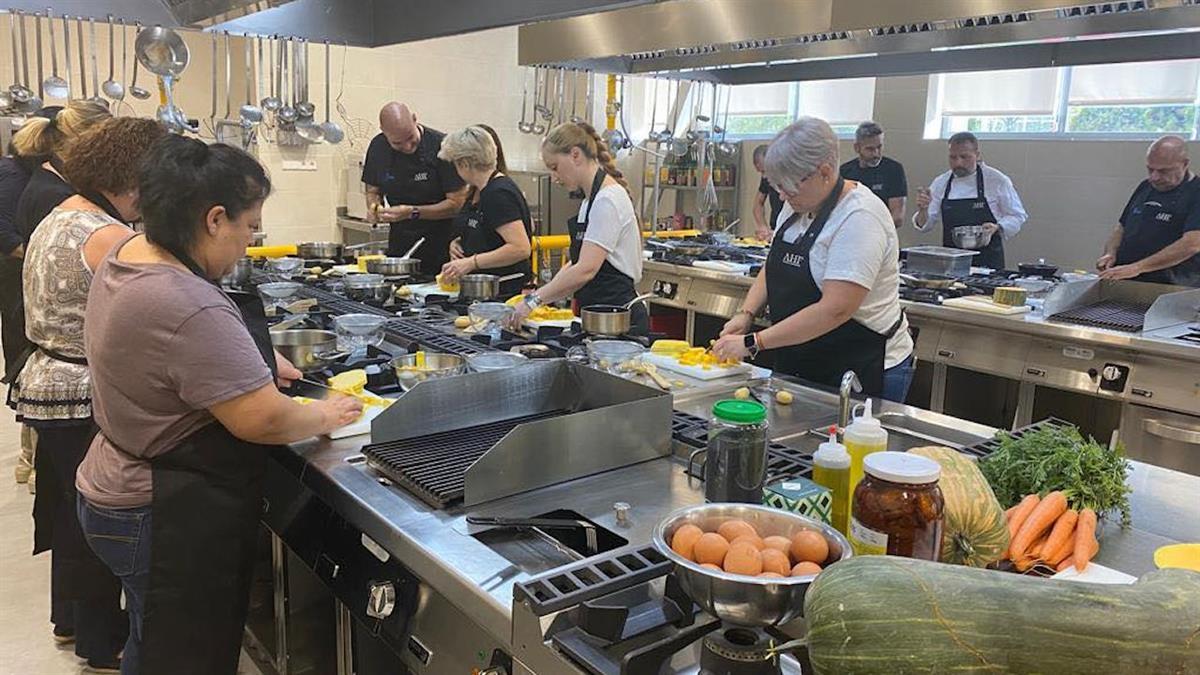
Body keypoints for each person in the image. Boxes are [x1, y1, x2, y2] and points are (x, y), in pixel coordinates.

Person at [76, 135, 362, 675]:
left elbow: (172, 356)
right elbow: (263, 418)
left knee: (152, 642)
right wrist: (327, 414)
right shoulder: (187, 302)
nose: (250, 245)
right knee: (182, 659)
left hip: (113, 480)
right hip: (159, 510)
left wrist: (245, 361)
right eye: (250, 227)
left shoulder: (128, 253)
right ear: (213, 219)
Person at [14, 117, 166, 674]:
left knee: (68, 509)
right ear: (136, 177)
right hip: (79, 391)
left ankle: (72, 620)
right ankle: (103, 644)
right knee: (97, 522)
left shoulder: (65, 212)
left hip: (47, 381)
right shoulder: (106, 234)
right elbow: (161, 305)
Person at [712, 118, 914, 401]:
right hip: (805, 357)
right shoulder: (796, 204)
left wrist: (754, 342)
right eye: (778, 187)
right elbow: (773, 266)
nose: (782, 196)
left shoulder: (859, 218)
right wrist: (746, 314)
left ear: (825, 172)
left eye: (789, 188)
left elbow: (835, 309)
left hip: (859, 366)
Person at [3, 101, 110, 488]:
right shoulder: (57, 198)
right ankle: (33, 467)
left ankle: (33, 468)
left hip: (40, 332)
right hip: (53, 345)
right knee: (69, 478)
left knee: (57, 468)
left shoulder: (48, 184)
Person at [509, 122, 646, 334]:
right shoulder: (589, 202)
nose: (554, 178)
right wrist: (542, 297)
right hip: (597, 315)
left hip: (618, 319)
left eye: (555, 167)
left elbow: (585, 270)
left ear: (575, 155)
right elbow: (576, 263)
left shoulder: (608, 199)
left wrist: (533, 301)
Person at [361, 102, 468, 275]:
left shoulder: (442, 146)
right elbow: (373, 190)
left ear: (414, 119)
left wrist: (413, 212)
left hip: (442, 244)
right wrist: (374, 208)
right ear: (384, 132)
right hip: (401, 243)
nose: (407, 147)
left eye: (411, 138)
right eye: (397, 143)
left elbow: (457, 204)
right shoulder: (378, 148)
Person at [437, 125, 533, 297]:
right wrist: (460, 243)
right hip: (481, 288)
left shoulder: (498, 193)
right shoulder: (478, 190)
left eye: (455, 164)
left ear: (465, 164)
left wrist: (471, 263)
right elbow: (486, 230)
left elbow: (520, 248)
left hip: (502, 290)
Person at [913, 131, 1027, 270]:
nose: (958, 162)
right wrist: (923, 210)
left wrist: (998, 227)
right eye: (953, 157)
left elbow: (1017, 216)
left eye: (964, 157)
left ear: (977, 155)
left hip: (988, 263)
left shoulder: (997, 180)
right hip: (952, 262)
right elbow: (925, 226)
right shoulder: (941, 183)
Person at [1097, 135, 1200, 286]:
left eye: (1164, 171)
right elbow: (1121, 228)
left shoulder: (1196, 192)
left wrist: (1138, 267)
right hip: (1126, 280)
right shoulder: (1145, 186)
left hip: (1170, 285)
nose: (1154, 177)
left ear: (1184, 164)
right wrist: (1110, 253)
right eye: (1150, 169)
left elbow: (1192, 244)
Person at [839, 121, 908, 228]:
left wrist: (871, 232)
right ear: (857, 148)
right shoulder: (845, 172)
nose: (876, 154)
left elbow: (897, 217)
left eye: (879, 147)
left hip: (882, 230)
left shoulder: (893, 170)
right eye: (870, 149)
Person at [752, 144, 785, 241]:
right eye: (761, 172)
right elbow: (758, 203)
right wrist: (763, 227)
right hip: (775, 227)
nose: (764, 177)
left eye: (764, 171)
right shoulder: (766, 178)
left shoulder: (787, 178)